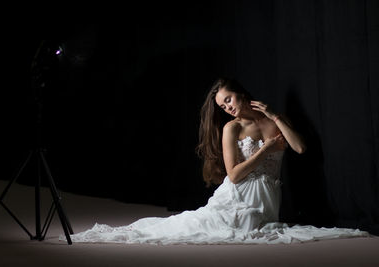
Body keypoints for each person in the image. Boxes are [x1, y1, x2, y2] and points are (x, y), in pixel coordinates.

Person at [60, 77, 370, 244]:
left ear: (241, 93)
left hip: (268, 195)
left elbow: (300, 149)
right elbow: (233, 176)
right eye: (223, 105)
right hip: (239, 194)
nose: (229, 108)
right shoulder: (231, 128)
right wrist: (263, 150)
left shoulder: (273, 119)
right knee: (200, 228)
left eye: (230, 100)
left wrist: (274, 114)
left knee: (260, 228)